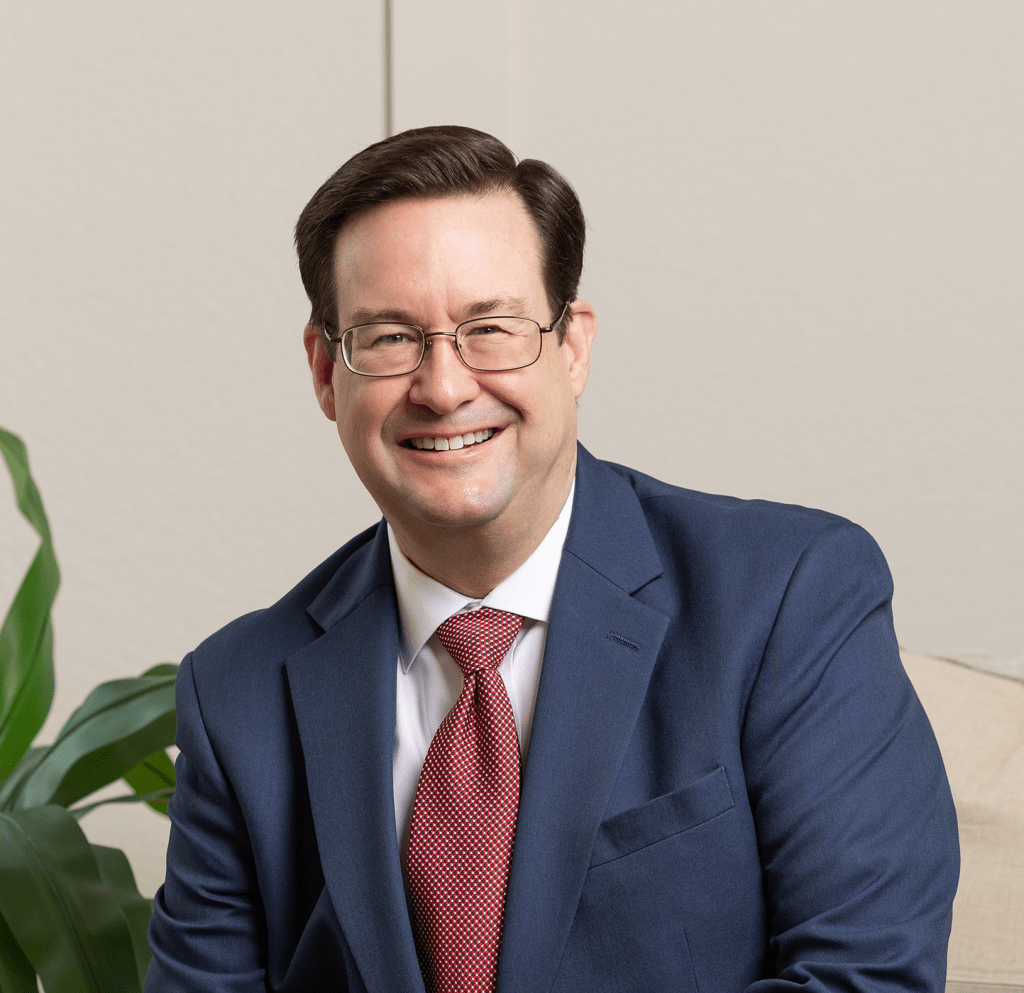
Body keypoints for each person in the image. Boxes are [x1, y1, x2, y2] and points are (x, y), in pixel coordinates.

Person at [145, 126, 959, 993]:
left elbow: (865, 974)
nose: (444, 387)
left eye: (491, 328)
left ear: (572, 347)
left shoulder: (789, 598)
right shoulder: (237, 695)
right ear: (324, 370)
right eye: (388, 338)